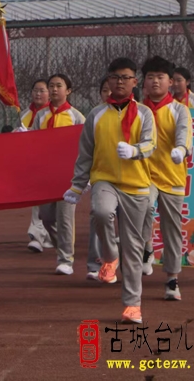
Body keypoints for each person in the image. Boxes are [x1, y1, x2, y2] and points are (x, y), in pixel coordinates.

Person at [65, 57, 156, 324]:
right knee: (101, 212)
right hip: (105, 180)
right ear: (108, 80)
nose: (119, 82)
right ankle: (109, 256)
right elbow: (85, 153)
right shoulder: (96, 115)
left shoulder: (144, 113)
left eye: (125, 77)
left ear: (134, 82)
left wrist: (134, 151)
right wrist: (77, 185)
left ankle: (132, 305)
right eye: (115, 77)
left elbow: (151, 144)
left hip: (137, 185)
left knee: (133, 248)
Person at [137, 56, 192, 301]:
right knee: (144, 208)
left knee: (172, 229)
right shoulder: (138, 109)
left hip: (172, 176)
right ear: (144, 82)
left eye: (160, 77)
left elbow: (184, 134)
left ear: (170, 82)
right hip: (144, 175)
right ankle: (147, 247)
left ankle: (172, 279)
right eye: (150, 77)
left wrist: (181, 149)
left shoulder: (180, 110)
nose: (155, 82)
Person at [29, 74, 85, 274]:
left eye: (58, 86)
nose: (54, 89)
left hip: (68, 175)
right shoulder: (41, 116)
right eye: (51, 86)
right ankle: (60, 246)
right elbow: (33, 142)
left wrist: (82, 176)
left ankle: (66, 260)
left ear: (68, 91)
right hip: (46, 175)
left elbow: (85, 145)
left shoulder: (76, 116)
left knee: (65, 218)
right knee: (46, 217)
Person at [16, 79, 54, 253]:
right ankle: (37, 235)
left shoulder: (60, 114)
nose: (38, 94)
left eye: (42, 90)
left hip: (55, 164)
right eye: (35, 90)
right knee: (38, 200)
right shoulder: (24, 115)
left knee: (55, 205)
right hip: (34, 164)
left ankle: (49, 236)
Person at [86, 78, 111, 280]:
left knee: (130, 226)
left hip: (132, 180)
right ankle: (95, 263)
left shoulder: (140, 113)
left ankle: (127, 264)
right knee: (98, 216)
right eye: (105, 90)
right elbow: (86, 149)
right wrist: (83, 179)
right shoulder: (95, 115)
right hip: (101, 177)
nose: (109, 94)